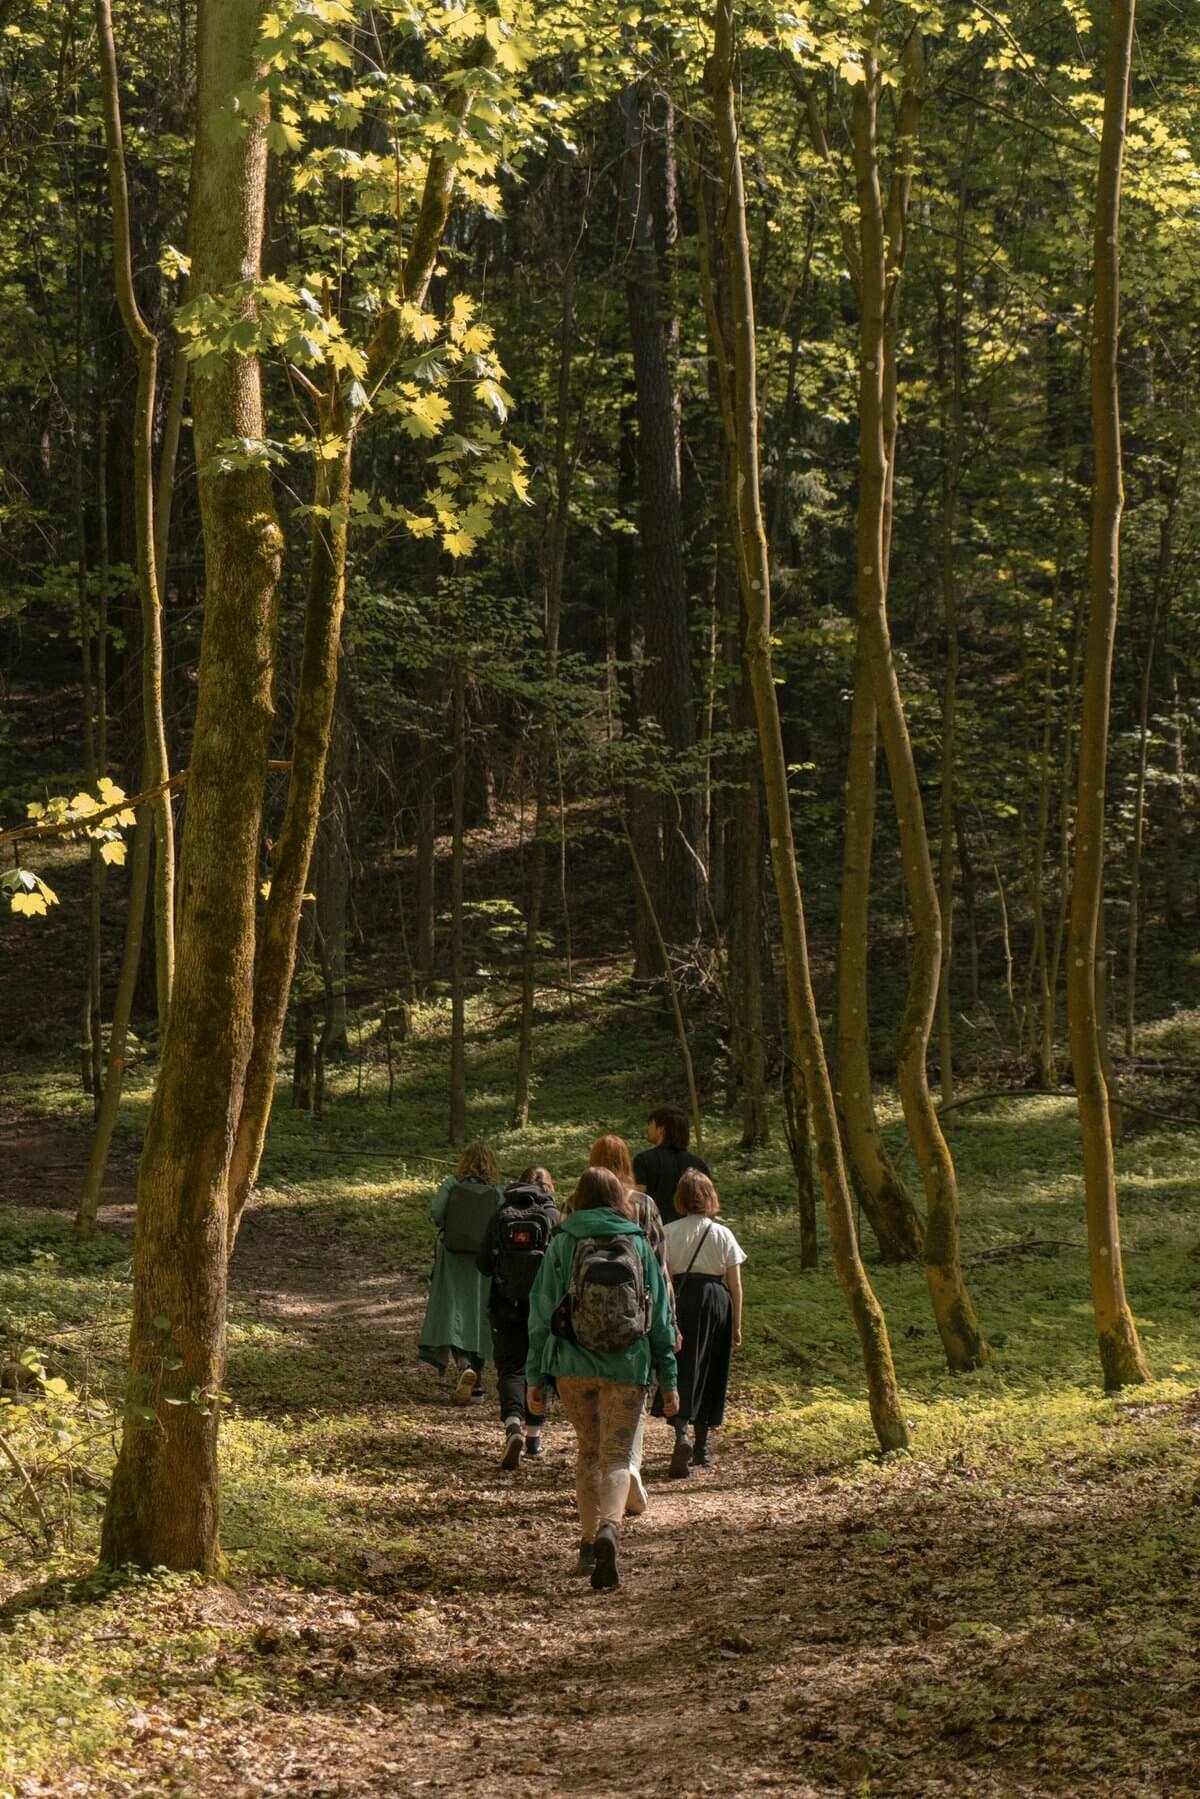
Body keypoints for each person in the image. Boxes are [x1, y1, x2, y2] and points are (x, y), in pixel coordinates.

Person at [526, 1167, 678, 1592]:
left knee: (587, 1451)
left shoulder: (563, 1240)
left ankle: (589, 1543)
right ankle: (612, 1528)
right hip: (627, 1365)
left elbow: (540, 1314)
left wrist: (535, 1375)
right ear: (619, 1199)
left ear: (579, 1196)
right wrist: (670, 1380)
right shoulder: (638, 1242)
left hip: (571, 1363)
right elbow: (662, 1315)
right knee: (616, 1455)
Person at [587, 1133, 674, 1515]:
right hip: (638, 1316)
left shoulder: (575, 1206)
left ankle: (606, 1473)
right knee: (633, 1392)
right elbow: (661, 1268)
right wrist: (671, 1322)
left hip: (584, 1322)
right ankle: (628, 1466)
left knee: (594, 1396)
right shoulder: (644, 1204)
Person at [659, 1169, 745, 1479]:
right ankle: (702, 1447)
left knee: (682, 1365)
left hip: (681, 1298)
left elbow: (663, 1278)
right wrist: (736, 1324)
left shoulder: (668, 1231)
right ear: (710, 1198)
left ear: (680, 1198)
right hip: (717, 1300)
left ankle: (680, 1432)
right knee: (712, 1368)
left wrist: (667, 1315)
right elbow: (735, 1285)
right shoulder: (723, 1234)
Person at [476, 1165, 560, 1469]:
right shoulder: (554, 1216)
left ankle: (512, 1426)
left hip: (506, 1303)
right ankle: (535, 1438)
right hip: (545, 1306)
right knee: (540, 1366)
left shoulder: (502, 1213)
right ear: (549, 1186)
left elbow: (484, 1263)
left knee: (511, 1368)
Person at [417, 1142, 504, 1404]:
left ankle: (463, 1364)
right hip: (483, 1261)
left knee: (453, 1312)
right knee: (479, 1314)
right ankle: (476, 1381)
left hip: (453, 1258)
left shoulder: (451, 1184)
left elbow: (436, 1212)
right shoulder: (496, 1192)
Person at [632, 1104, 710, 1225]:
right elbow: (707, 1205)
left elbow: (637, 1197)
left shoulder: (643, 1160)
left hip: (654, 1233)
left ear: (661, 1129)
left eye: (651, 1123)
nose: (648, 1128)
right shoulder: (698, 1164)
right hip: (690, 1235)